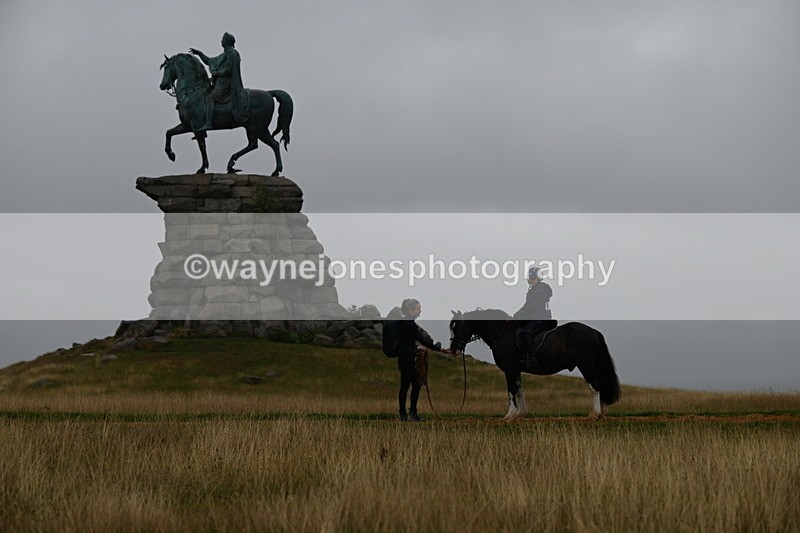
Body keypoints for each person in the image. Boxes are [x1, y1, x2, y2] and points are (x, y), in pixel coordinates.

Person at [395, 298, 448, 421]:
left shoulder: (405, 323)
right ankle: (409, 414)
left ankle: (406, 414)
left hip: (405, 358)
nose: (420, 311)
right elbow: (422, 340)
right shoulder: (410, 324)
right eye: (418, 309)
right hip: (408, 359)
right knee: (410, 385)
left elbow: (408, 341)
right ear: (411, 310)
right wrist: (439, 349)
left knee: (410, 385)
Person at [189, 32, 250, 131]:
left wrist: (217, 74)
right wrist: (199, 53)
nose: (221, 41)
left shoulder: (232, 53)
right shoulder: (224, 55)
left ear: (226, 42)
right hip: (220, 83)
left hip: (226, 84)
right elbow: (209, 61)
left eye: (222, 39)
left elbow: (229, 69)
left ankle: (208, 123)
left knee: (210, 98)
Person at [512, 266, 556, 366]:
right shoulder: (537, 290)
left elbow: (528, 307)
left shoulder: (538, 291)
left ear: (538, 279)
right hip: (538, 317)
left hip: (540, 319)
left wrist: (515, 316)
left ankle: (532, 358)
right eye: (531, 279)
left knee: (524, 333)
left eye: (534, 279)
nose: (532, 281)